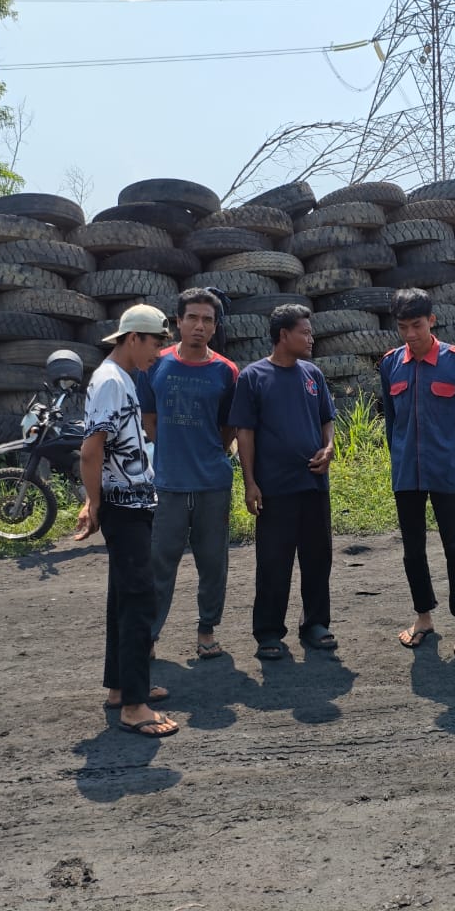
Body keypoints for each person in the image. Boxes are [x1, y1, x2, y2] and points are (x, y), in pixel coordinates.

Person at [74, 304, 179, 737]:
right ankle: (134, 707)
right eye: (155, 344)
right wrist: (94, 502)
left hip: (129, 503)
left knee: (124, 596)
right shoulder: (112, 382)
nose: (158, 353)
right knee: (138, 599)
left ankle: (122, 687)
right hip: (125, 507)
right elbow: (91, 449)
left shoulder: (119, 378)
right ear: (132, 338)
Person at [227, 304, 338, 660]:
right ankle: (269, 632)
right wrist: (250, 482)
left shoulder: (312, 374)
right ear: (283, 335)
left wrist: (329, 448)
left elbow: (326, 419)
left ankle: (315, 623)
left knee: (318, 558)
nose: (311, 338)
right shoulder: (254, 377)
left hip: (314, 485)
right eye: (304, 332)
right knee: (273, 563)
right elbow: (244, 433)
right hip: (275, 488)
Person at [378, 288, 455, 656]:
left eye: (417, 325)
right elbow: (391, 423)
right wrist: (397, 461)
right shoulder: (390, 364)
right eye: (403, 327)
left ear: (432, 321)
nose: (410, 334)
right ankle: (423, 617)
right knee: (412, 549)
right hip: (407, 472)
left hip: (446, 469)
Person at [138, 288, 239, 660]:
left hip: (213, 483)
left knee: (213, 562)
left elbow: (229, 427)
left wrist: (208, 452)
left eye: (207, 320)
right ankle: (149, 635)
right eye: (192, 318)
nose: (199, 326)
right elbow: (149, 420)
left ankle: (206, 629)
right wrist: (172, 451)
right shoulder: (155, 365)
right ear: (178, 321)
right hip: (169, 484)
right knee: (159, 562)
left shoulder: (226, 371)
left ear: (215, 326)